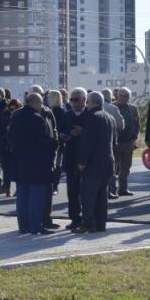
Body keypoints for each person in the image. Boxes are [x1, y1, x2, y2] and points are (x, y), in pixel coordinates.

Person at [9, 92, 58, 234]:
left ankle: (23, 226)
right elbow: (44, 140)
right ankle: (35, 226)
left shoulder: (16, 115)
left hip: (20, 161)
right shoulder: (37, 118)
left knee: (22, 196)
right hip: (37, 163)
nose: (41, 105)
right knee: (36, 196)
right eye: (40, 102)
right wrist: (55, 143)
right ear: (34, 102)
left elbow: (10, 136)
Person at [74, 91, 117, 233]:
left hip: (94, 164)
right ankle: (100, 224)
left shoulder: (92, 117)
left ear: (92, 102)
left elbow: (88, 143)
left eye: (87, 102)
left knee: (88, 195)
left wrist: (82, 161)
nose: (86, 105)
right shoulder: (109, 117)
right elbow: (114, 142)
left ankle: (88, 224)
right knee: (101, 196)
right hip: (108, 163)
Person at [59, 88, 89, 229]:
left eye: (76, 99)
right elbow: (62, 130)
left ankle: (88, 218)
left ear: (84, 100)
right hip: (71, 157)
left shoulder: (90, 114)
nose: (73, 102)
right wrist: (64, 135)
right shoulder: (67, 114)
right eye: (71, 99)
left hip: (87, 159)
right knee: (72, 191)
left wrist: (82, 133)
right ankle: (75, 219)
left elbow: (94, 134)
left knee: (87, 190)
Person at [112, 88, 140, 197]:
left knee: (126, 167)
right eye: (121, 96)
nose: (123, 98)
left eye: (126, 96)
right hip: (115, 142)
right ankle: (112, 190)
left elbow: (137, 124)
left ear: (129, 97)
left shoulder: (133, 108)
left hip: (128, 142)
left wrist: (135, 137)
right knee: (113, 167)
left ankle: (123, 189)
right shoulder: (112, 107)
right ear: (117, 96)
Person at [43, 90, 65, 229]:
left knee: (57, 164)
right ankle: (55, 185)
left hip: (57, 142)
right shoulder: (54, 110)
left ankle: (55, 185)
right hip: (58, 142)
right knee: (57, 164)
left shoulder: (55, 111)